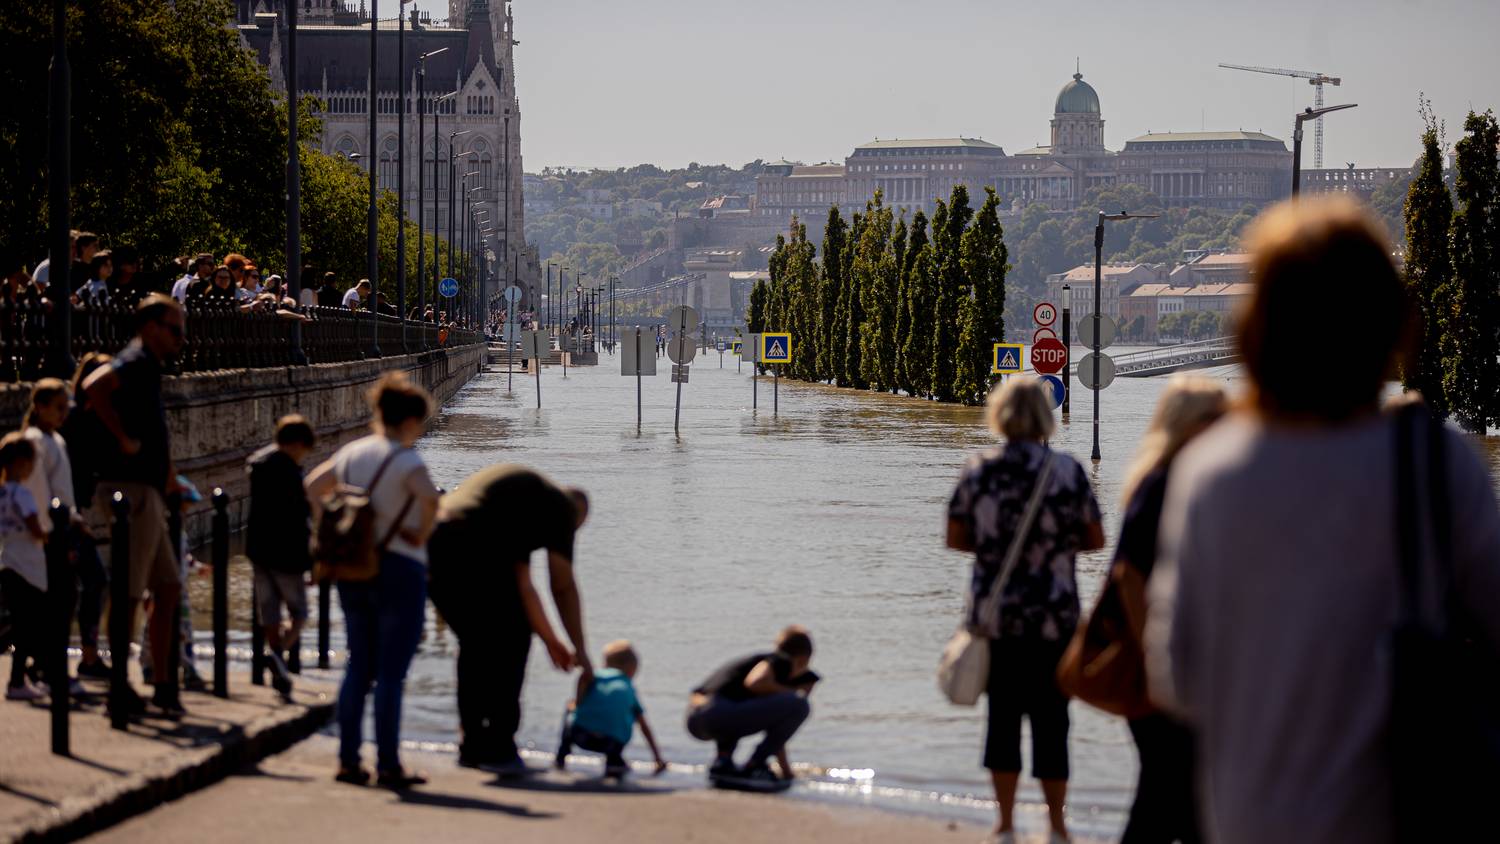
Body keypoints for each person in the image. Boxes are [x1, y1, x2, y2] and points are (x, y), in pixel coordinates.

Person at [1146, 198, 1500, 843]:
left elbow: (1177, 679)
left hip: (1251, 818)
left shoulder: (1212, 471)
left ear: (1255, 330)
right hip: (1409, 812)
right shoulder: (1434, 460)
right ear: (1393, 325)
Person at [947, 376, 1105, 844]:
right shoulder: (1068, 471)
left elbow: (955, 538)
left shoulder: (980, 469)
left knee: (1002, 718)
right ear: (1045, 417)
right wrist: (1053, 547)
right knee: (1053, 720)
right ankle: (1057, 826)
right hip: (1055, 618)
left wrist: (995, 548)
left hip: (998, 619)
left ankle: (1006, 823)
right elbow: (1095, 540)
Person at [1099, 377, 1226, 844]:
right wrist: (1155, 655)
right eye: (1216, 418)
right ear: (1188, 425)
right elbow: (1128, 576)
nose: (1226, 427)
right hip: (1159, 667)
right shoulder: (1162, 483)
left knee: (1176, 793)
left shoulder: (1186, 479)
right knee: (1169, 792)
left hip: (1186, 666)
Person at [305, 371, 441, 789]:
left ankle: (348, 760)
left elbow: (312, 487)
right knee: (391, 673)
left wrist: (324, 532)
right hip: (400, 568)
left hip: (354, 567)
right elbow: (431, 499)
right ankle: (388, 764)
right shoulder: (407, 459)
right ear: (411, 421)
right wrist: (420, 532)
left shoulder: (351, 453)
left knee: (358, 666)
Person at [427, 465, 591, 774]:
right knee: (513, 640)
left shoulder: (522, 501)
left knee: (475, 643)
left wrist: (551, 639)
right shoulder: (558, 510)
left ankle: (472, 745)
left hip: (433, 545)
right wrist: (576, 650)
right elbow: (562, 586)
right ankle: (500, 745)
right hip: (469, 545)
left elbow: (523, 584)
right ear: (575, 517)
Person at [83, 295, 186, 715]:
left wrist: (169, 477)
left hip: (149, 489)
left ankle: (163, 682)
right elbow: (93, 387)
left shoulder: (150, 368)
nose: (181, 338)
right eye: (175, 329)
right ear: (150, 327)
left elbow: (154, 428)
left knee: (168, 587)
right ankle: (120, 688)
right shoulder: (136, 359)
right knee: (130, 591)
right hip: (130, 491)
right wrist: (122, 439)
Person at [686, 626, 819, 785]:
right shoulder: (780, 661)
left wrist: (786, 772)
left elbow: (777, 731)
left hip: (695, 718)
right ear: (802, 659)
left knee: (740, 703)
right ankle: (754, 766)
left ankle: (723, 762)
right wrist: (790, 692)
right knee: (800, 705)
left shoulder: (756, 661)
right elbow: (755, 682)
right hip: (717, 713)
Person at [246, 415, 317, 702]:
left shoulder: (258, 464)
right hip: (286, 554)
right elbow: (299, 519)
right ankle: (275, 656)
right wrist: (311, 561)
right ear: (298, 444)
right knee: (299, 614)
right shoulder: (290, 472)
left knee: (270, 613)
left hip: (258, 551)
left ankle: (278, 668)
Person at [62, 354, 112, 680]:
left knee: (76, 586)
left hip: (71, 514)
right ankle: (88, 658)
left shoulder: (83, 417)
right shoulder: (78, 420)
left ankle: (83, 656)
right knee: (93, 581)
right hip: (64, 518)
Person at [556, 640, 666, 777]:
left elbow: (582, 682)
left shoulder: (595, 677)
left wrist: (577, 702)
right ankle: (614, 761)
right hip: (611, 743)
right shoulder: (628, 688)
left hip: (581, 736)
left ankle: (561, 756)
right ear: (632, 670)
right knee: (625, 715)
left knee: (571, 707)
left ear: (605, 663)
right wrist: (657, 757)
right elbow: (644, 726)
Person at [0, 434, 50, 701]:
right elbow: (34, 526)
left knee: (20, 624)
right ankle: (18, 680)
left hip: (8, 563)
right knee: (29, 625)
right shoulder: (23, 494)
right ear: (22, 463)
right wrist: (48, 534)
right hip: (28, 568)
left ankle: (24, 678)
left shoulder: (2, 493)